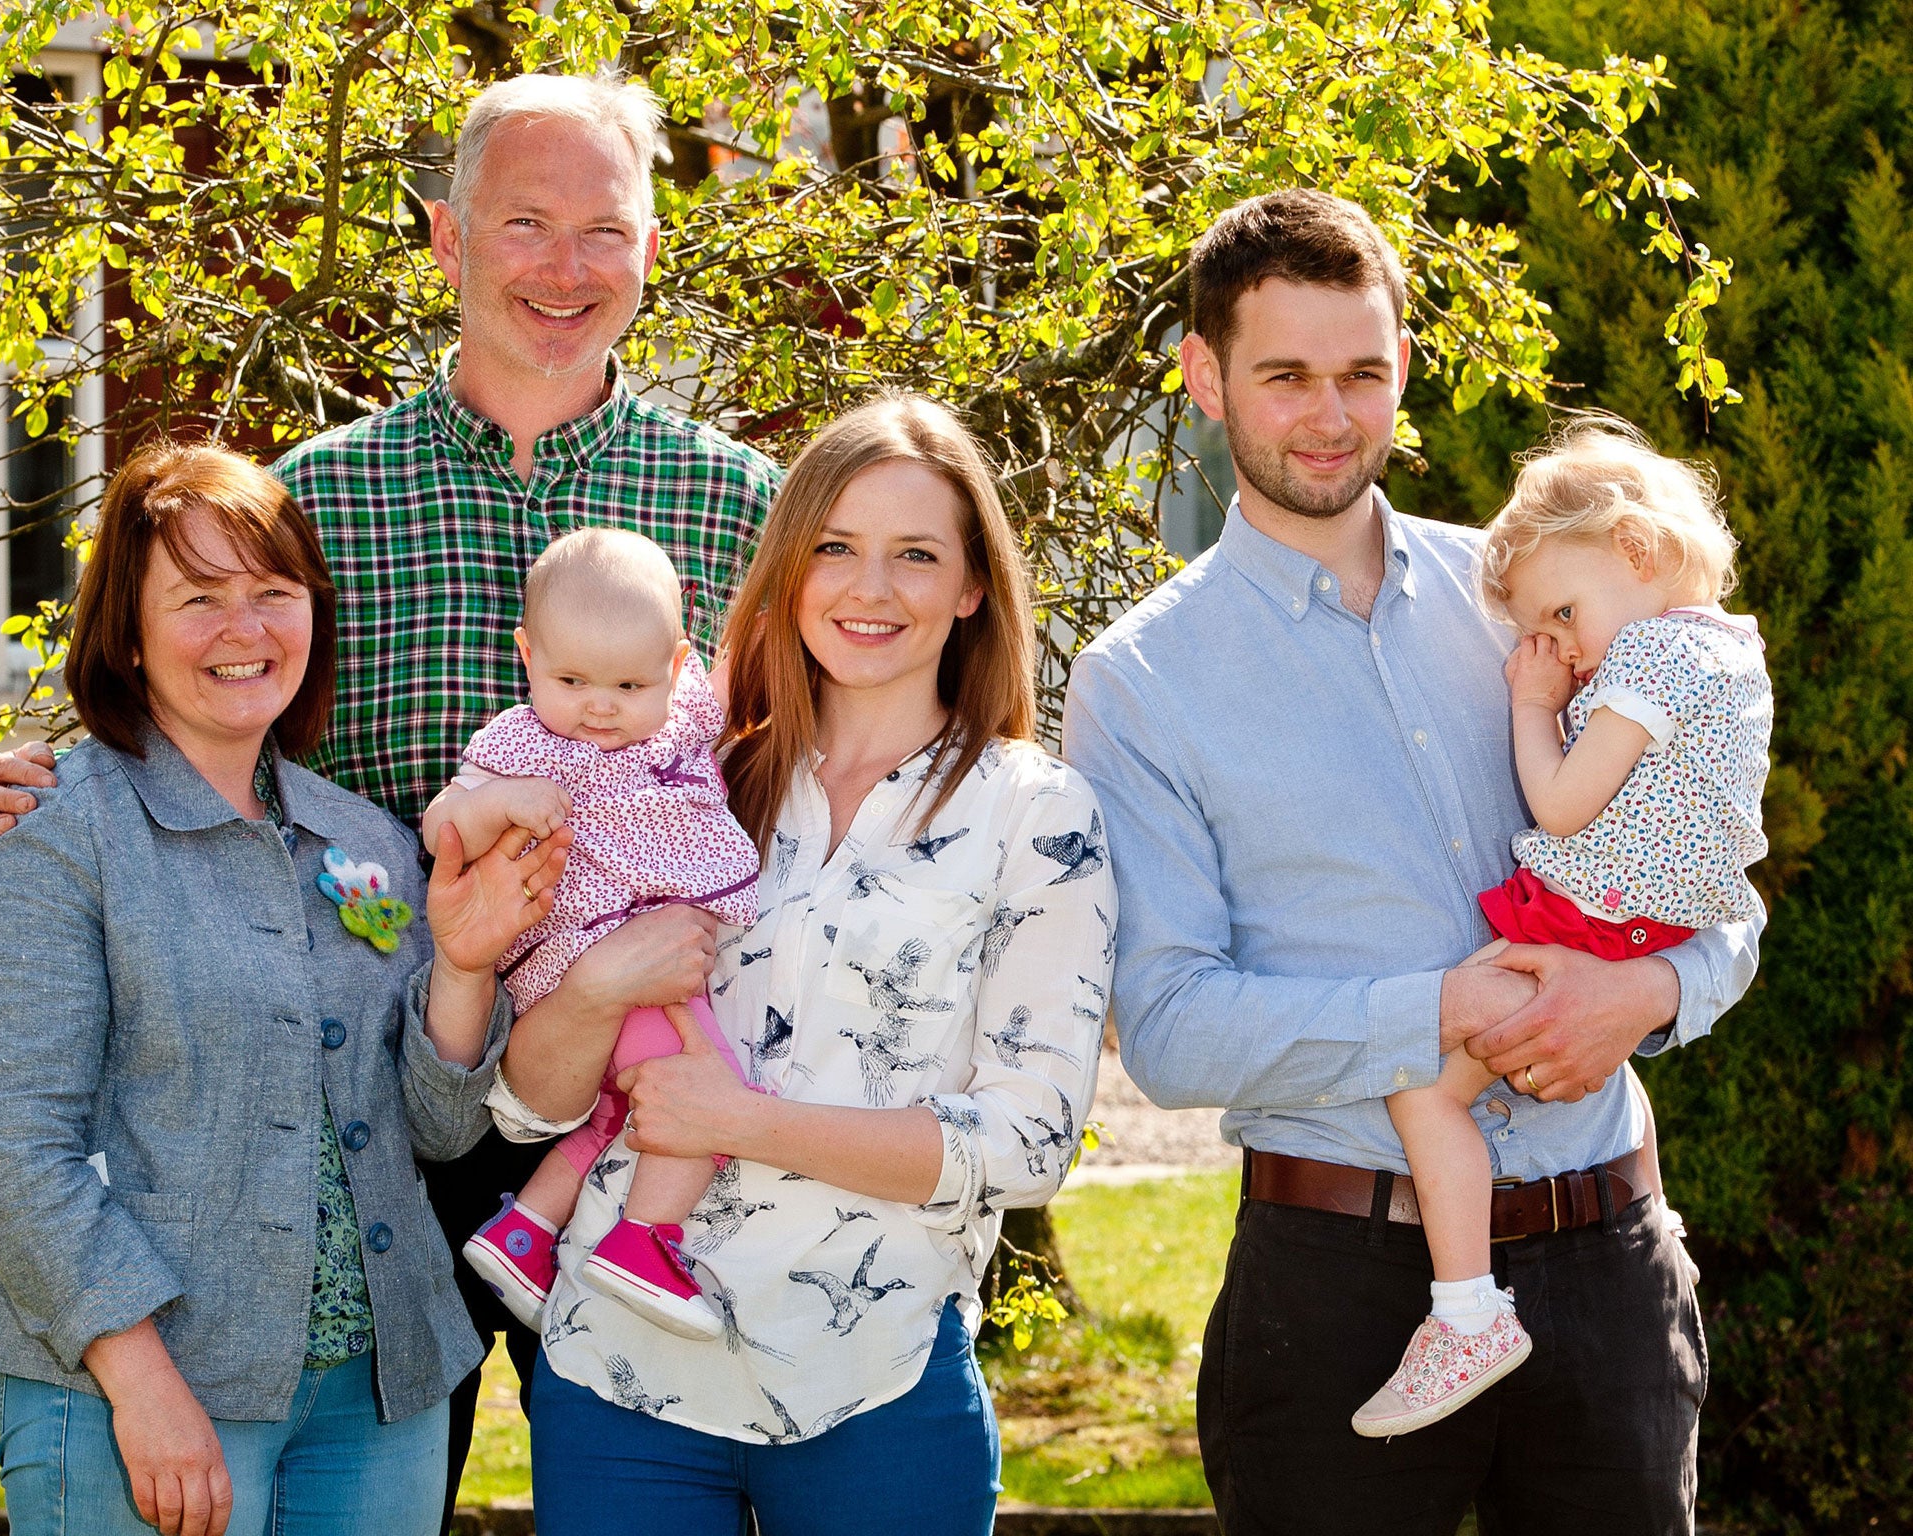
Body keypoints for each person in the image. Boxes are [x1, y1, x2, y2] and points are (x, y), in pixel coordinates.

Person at [0, 71, 779, 1517]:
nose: (566, 267)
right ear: (448, 242)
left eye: (606, 228)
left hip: (656, 1112)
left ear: (654, 247)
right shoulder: (316, 498)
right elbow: (197, 690)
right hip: (389, 1119)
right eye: (525, 222)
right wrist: (32, 779)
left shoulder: (748, 509)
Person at [1063, 189, 1764, 1533]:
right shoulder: (1143, 682)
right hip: (1338, 1293)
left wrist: (1657, 993)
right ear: (1204, 378)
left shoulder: (1538, 601)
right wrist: (1441, 1011)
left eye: (1363, 372)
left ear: (1404, 368)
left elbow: (1703, 859)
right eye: (1285, 377)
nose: (1330, 414)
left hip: (1607, 1267)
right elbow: (1168, 1028)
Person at [488, 394, 1113, 1535]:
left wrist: (741, 1119)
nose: (868, 589)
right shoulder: (674, 773)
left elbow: (1024, 1145)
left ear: (970, 585)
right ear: (787, 567)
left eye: (914, 555)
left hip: (870, 1388)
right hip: (618, 1387)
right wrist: (596, 986)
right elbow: (530, 1108)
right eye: (835, 548)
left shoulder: (1036, 814)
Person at [0, 442, 565, 1536]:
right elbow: (10, 1149)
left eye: (274, 594)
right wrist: (142, 1384)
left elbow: (439, 1129)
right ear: (127, 633)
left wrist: (462, 964)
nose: (245, 628)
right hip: (146, 1390)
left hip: (379, 1397)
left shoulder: (364, 842)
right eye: (198, 598)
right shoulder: (57, 836)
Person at [1352, 418, 1773, 1437]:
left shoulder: (1650, 661)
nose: (1559, 646)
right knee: (1593, 1080)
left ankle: (1464, 1313)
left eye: (1561, 612)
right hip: (1643, 928)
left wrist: (1534, 705)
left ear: (1634, 552)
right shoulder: (1730, 651)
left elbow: (1558, 804)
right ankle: (1657, 1230)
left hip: (1584, 920)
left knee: (1422, 1094)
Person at [423, 529, 761, 1339]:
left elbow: (745, 661)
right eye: (571, 679)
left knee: (621, 1118)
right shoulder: (524, 745)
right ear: (528, 655)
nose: (600, 706)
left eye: (628, 684)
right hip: (584, 955)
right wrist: (497, 805)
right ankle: (644, 1246)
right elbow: (441, 820)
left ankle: (523, 1234)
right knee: (703, 1097)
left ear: (675, 668)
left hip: (649, 957)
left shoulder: (681, 720)